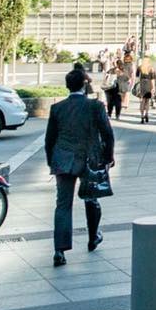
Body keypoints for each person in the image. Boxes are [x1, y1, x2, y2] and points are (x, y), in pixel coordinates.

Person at [45, 68, 116, 267]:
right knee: (91, 199)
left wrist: (52, 161)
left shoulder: (57, 108)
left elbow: (50, 139)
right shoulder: (95, 106)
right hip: (89, 159)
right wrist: (108, 156)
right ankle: (93, 237)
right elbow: (107, 133)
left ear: (67, 86)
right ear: (84, 85)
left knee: (63, 205)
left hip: (63, 160)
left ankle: (60, 250)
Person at [135, 57, 155, 124]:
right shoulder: (151, 68)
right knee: (147, 101)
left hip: (142, 84)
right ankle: (146, 113)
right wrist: (153, 88)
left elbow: (137, 78)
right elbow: (152, 79)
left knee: (142, 101)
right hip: (148, 84)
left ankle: (142, 116)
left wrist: (137, 86)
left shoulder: (139, 67)